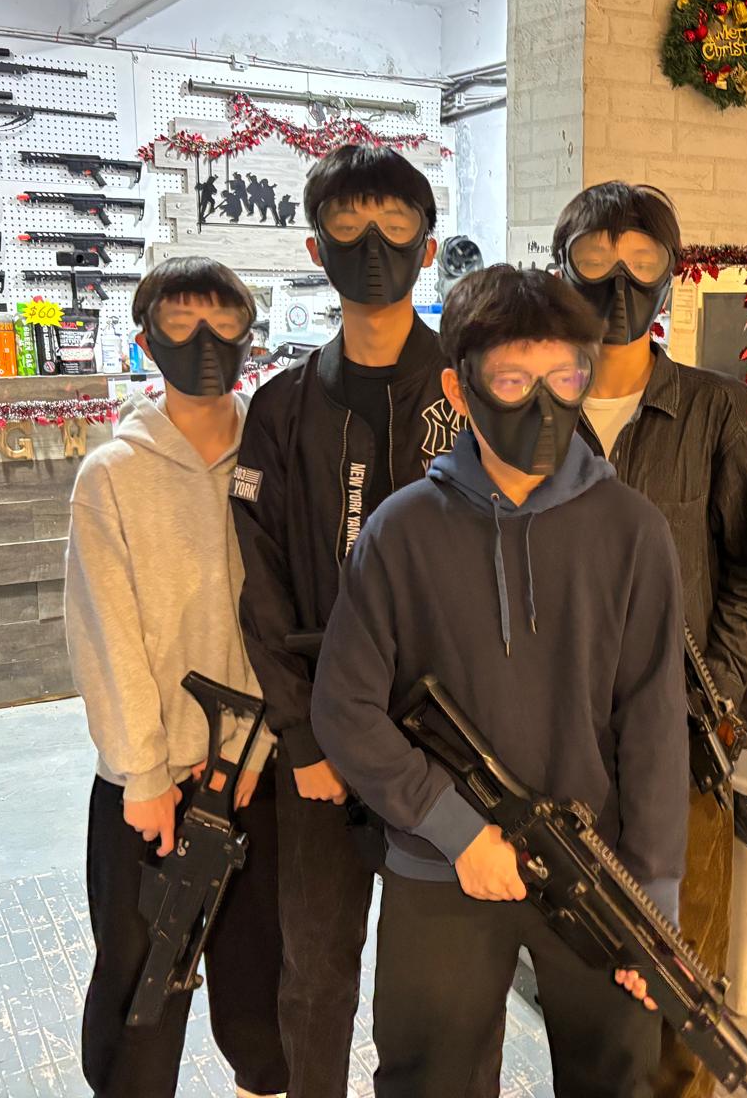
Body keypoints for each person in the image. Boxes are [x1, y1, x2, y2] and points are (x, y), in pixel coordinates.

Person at [310, 264, 688, 1097]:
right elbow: (345, 708)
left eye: (565, 378)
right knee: (428, 1080)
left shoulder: (633, 532)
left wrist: (653, 895)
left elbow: (656, 722)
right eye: (514, 381)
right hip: (439, 868)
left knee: (617, 1078)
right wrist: (458, 831)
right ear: (460, 387)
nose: (544, 404)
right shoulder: (401, 532)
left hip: (597, 867)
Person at [231, 143, 461, 1096]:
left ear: (429, 247)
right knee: (316, 973)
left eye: (396, 226)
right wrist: (301, 736)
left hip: (445, 747)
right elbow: (260, 581)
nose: (374, 247)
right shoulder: (282, 407)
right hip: (321, 744)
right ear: (315, 248)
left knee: (438, 986)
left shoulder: (474, 393)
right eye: (348, 226)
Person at [551, 181, 747, 1098]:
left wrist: (704, 703)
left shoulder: (716, 409)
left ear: (669, 276)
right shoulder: (533, 412)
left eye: (641, 263)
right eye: (595, 262)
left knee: (683, 985)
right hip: (562, 753)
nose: (618, 285)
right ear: (562, 270)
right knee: (583, 980)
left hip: (684, 751)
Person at [64, 255, 285, 1098]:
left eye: (225, 323)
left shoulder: (275, 456)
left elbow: (295, 607)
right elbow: (106, 637)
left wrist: (272, 741)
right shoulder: (113, 475)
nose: (205, 341)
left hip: (258, 769)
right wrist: (144, 773)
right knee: (140, 986)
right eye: (181, 323)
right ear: (146, 338)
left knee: (259, 977)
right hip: (152, 785)